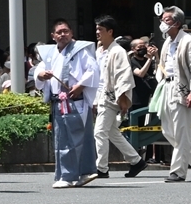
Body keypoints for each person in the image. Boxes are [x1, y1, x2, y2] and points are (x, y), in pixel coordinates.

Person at [37, 19, 99, 189]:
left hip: (74, 99)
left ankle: (68, 175)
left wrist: (81, 85)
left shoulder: (80, 50)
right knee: (64, 138)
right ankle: (84, 172)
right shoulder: (50, 54)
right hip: (59, 101)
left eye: (66, 31)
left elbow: (93, 69)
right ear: (53, 36)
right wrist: (42, 74)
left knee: (73, 139)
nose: (62, 34)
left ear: (72, 33)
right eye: (59, 32)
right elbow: (39, 70)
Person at [155, 6, 191, 182]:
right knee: (167, 130)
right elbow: (163, 66)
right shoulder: (167, 42)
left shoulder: (187, 41)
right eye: (162, 19)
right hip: (167, 86)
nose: (162, 23)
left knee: (181, 131)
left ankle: (178, 171)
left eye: (167, 20)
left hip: (182, 88)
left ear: (177, 23)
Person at [92, 16, 141, 179]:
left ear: (110, 32)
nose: (97, 32)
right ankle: (136, 161)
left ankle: (102, 168)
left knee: (99, 132)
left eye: (101, 29)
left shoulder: (117, 51)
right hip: (101, 96)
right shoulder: (99, 51)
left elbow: (123, 76)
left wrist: (123, 98)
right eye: (97, 28)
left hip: (111, 97)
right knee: (112, 133)